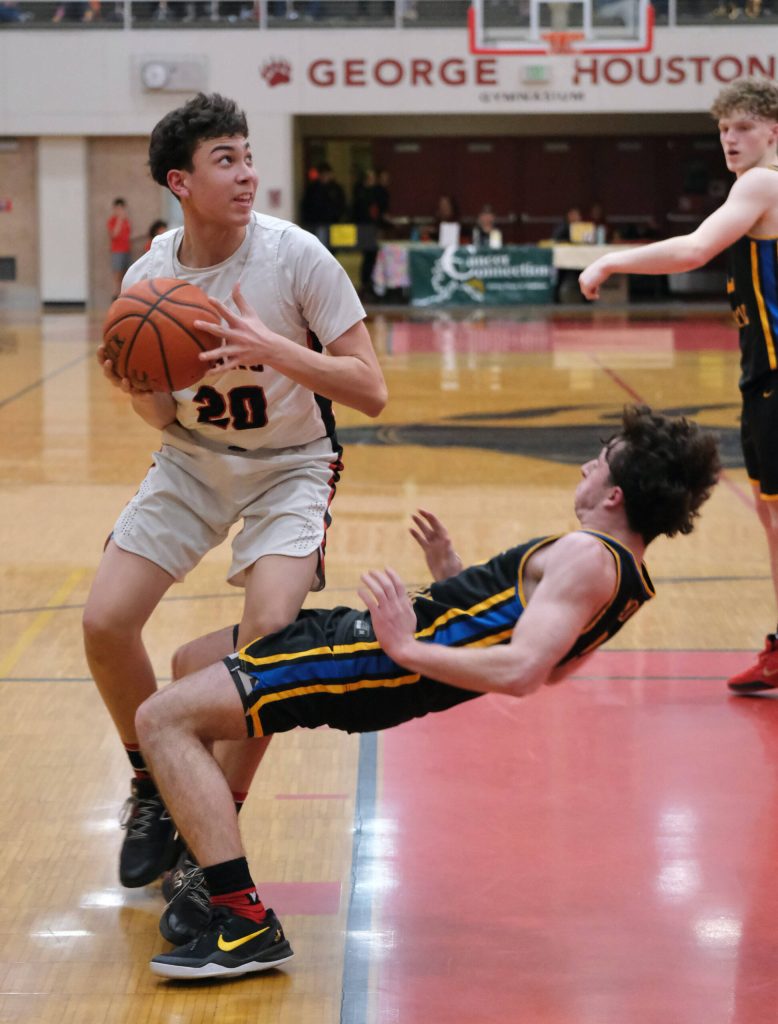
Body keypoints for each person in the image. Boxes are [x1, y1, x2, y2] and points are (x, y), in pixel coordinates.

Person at [135, 404, 720, 979]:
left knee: (162, 720)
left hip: (367, 660)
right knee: (193, 662)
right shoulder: (628, 579)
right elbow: (549, 661)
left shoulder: (586, 555)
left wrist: (408, 648)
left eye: (597, 464)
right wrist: (452, 575)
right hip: (383, 661)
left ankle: (243, 919)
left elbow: (522, 671)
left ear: (615, 495)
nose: (584, 472)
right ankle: (205, 865)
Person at [82, 93, 387, 937]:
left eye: (249, 155)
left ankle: (206, 844)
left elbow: (371, 389)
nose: (249, 172)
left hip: (293, 468)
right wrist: (140, 390)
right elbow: (159, 417)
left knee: (266, 640)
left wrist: (276, 350)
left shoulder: (297, 259)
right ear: (180, 181)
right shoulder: (148, 280)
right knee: (106, 622)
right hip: (192, 459)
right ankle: (153, 781)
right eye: (227, 159)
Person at [579, 77, 778, 693]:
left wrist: (612, 260)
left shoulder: (762, 182)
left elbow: (694, 249)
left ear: (773, 131)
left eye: (743, 128)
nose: (730, 140)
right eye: (723, 130)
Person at [300, 161, 346, 227]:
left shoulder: (336, 189)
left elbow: (341, 205)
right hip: (315, 223)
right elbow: (307, 205)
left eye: (327, 174)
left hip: (333, 222)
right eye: (322, 174)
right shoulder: (312, 189)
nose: (325, 176)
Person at [107, 197, 132, 300]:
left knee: (126, 277)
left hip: (127, 250)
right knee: (117, 278)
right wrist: (119, 220)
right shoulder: (112, 221)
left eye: (122, 208)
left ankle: (124, 297)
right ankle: (115, 299)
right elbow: (114, 234)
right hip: (117, 251)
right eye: (118, 208)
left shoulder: (127, 221)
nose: (120, 211)